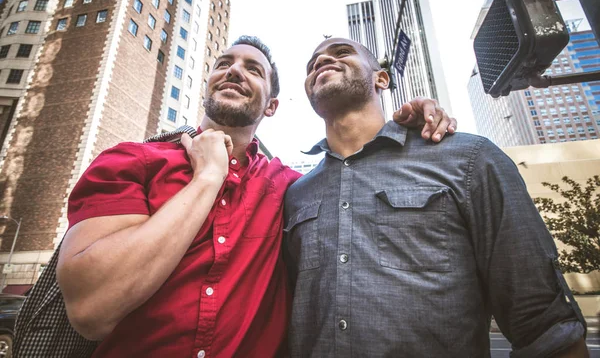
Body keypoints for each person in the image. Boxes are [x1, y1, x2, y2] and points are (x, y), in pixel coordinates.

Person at [56, 35, 456, 358]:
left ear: (272, 106)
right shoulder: (132, 160)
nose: (234, 70)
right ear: (209, 84)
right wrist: (207, 178)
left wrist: (411, 124)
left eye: (253, 69)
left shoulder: (291, 187)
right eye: (224, 64)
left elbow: (359, 170)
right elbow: (92, 309)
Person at [283, 37, 589, 357]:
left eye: (342, 52)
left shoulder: (470, 159)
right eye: (312, 63)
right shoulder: (295, 195)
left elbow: (543, 323)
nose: (321, 61)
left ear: (381, 78)